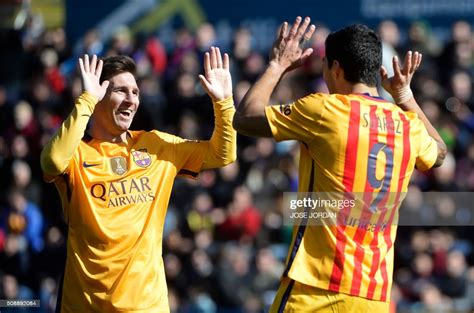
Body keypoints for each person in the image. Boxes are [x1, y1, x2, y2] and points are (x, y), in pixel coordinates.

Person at [233, 17, 447, 312]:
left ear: (335, 68)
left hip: (315, 288)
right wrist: (405, 97)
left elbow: (244, 118)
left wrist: (277, 65)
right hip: (372, 296)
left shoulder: (325, 111)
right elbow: (440, 153)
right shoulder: (407, 124)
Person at [40, 47, 236, 312]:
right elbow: (51, 161)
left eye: (135, 92)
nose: (131, 100)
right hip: (86, 305)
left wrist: (224, 103)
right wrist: (86, 99)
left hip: (147, 305)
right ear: (99, 96)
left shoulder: (157, 145)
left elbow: (223, 154)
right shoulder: (76, 153)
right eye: (120, 90)